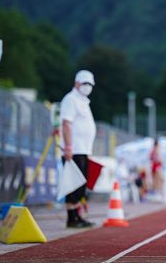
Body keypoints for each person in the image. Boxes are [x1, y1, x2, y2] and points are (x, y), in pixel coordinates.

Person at [59, 69, 97, 228]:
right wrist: (68, 147)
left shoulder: (83, 101)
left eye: (90, 84)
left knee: (81, 184)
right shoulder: (70, 99)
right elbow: (66, 124)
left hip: (83, 150)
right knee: (73, 184)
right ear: (77, 83)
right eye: (85, 83)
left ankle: (77, 215)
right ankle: (72, 217)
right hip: (74, 149)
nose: (87, 86)